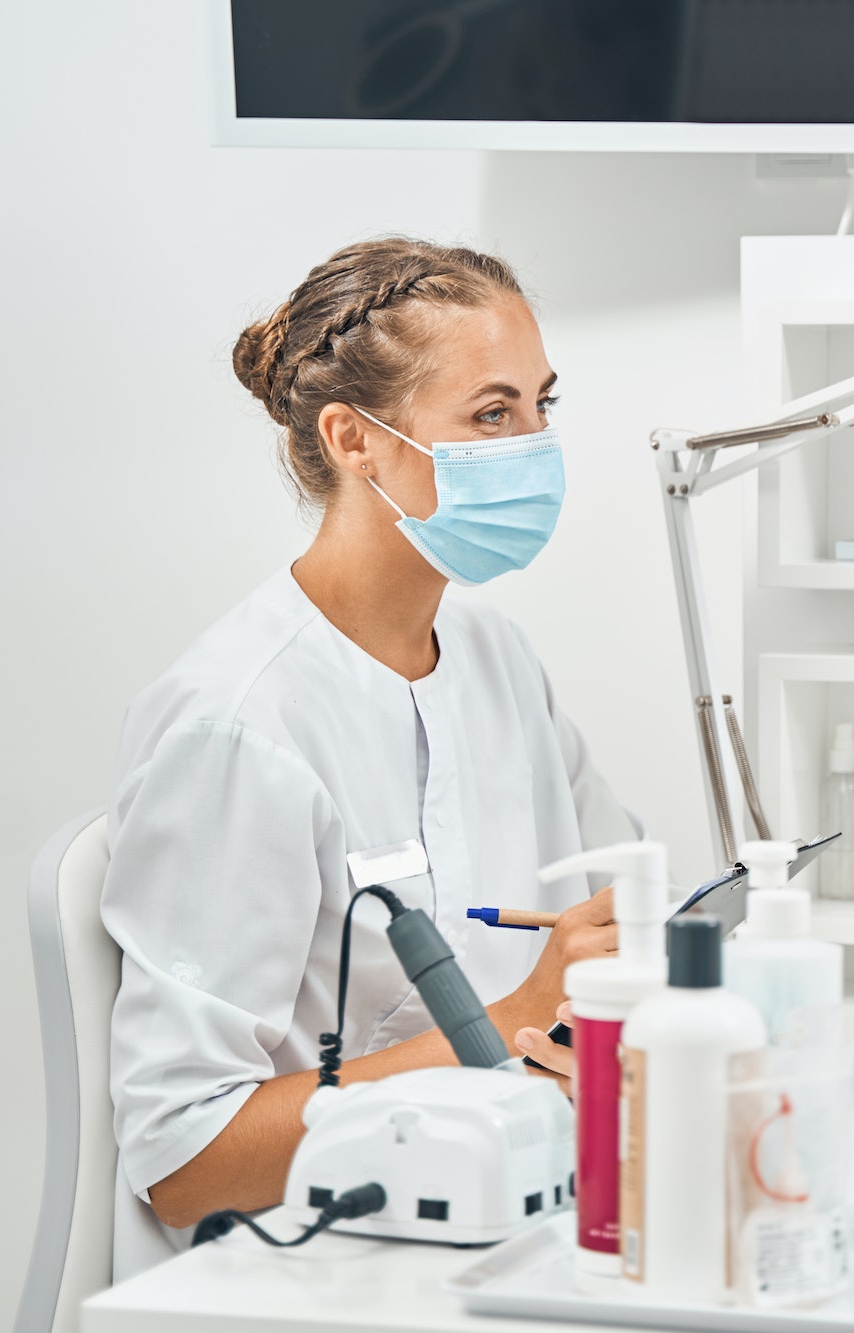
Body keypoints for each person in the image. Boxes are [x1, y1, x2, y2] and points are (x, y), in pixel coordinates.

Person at [102, 239, 618, 1278]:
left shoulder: (495, 660)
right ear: (354, 440)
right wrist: (514, 1023)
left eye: (539, 406)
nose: (533, 444)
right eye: (490, 414)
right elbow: (185, 1158)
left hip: (511, 1219)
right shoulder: (239, 726)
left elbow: (619, 911)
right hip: (310, 1267)